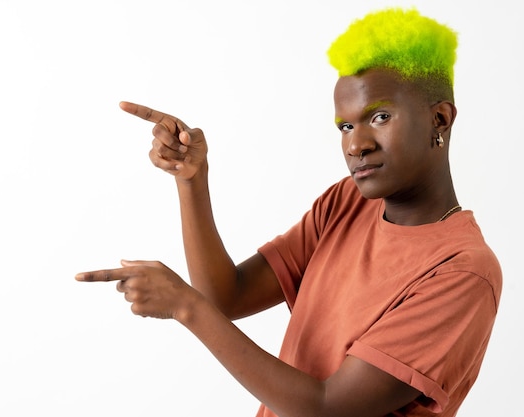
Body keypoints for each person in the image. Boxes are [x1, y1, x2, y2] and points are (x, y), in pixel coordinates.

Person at [75, 7, 502, 417]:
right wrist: (192, 180)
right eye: (346, 126)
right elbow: (228, 295)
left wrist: (185, 306)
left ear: (440, 120)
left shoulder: (461, 272)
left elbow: (327, 407)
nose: (356, 145)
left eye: (381, 116)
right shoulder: (347, 203)